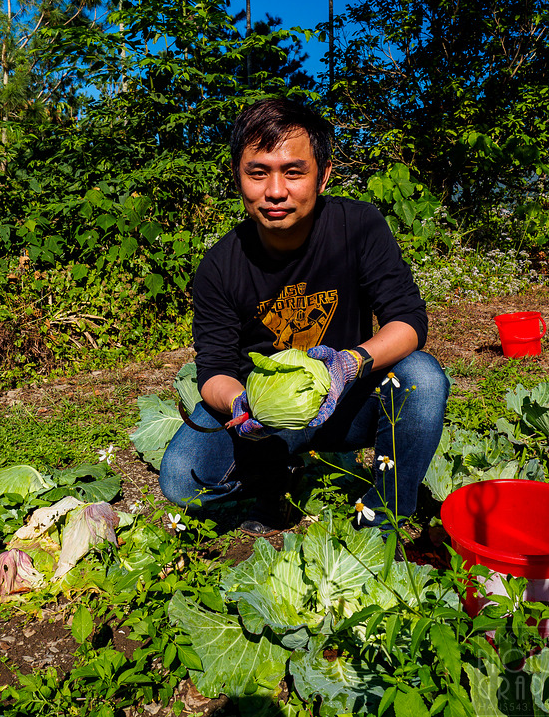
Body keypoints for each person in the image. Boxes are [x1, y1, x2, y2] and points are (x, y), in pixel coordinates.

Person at [159, 97, 449, 535]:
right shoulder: (219, 265)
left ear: (323, 175)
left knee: (422, 379)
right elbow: (213, 370)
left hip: (346, 399)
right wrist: (242, 404)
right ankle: (275, 477)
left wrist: (348, 364)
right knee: (183, 480)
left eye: (293, 172)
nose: (275, 191)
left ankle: (383, 513)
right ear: (237, 176)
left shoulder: (358, 226)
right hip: (264, 419)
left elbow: (408, 321)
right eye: (258, 173)